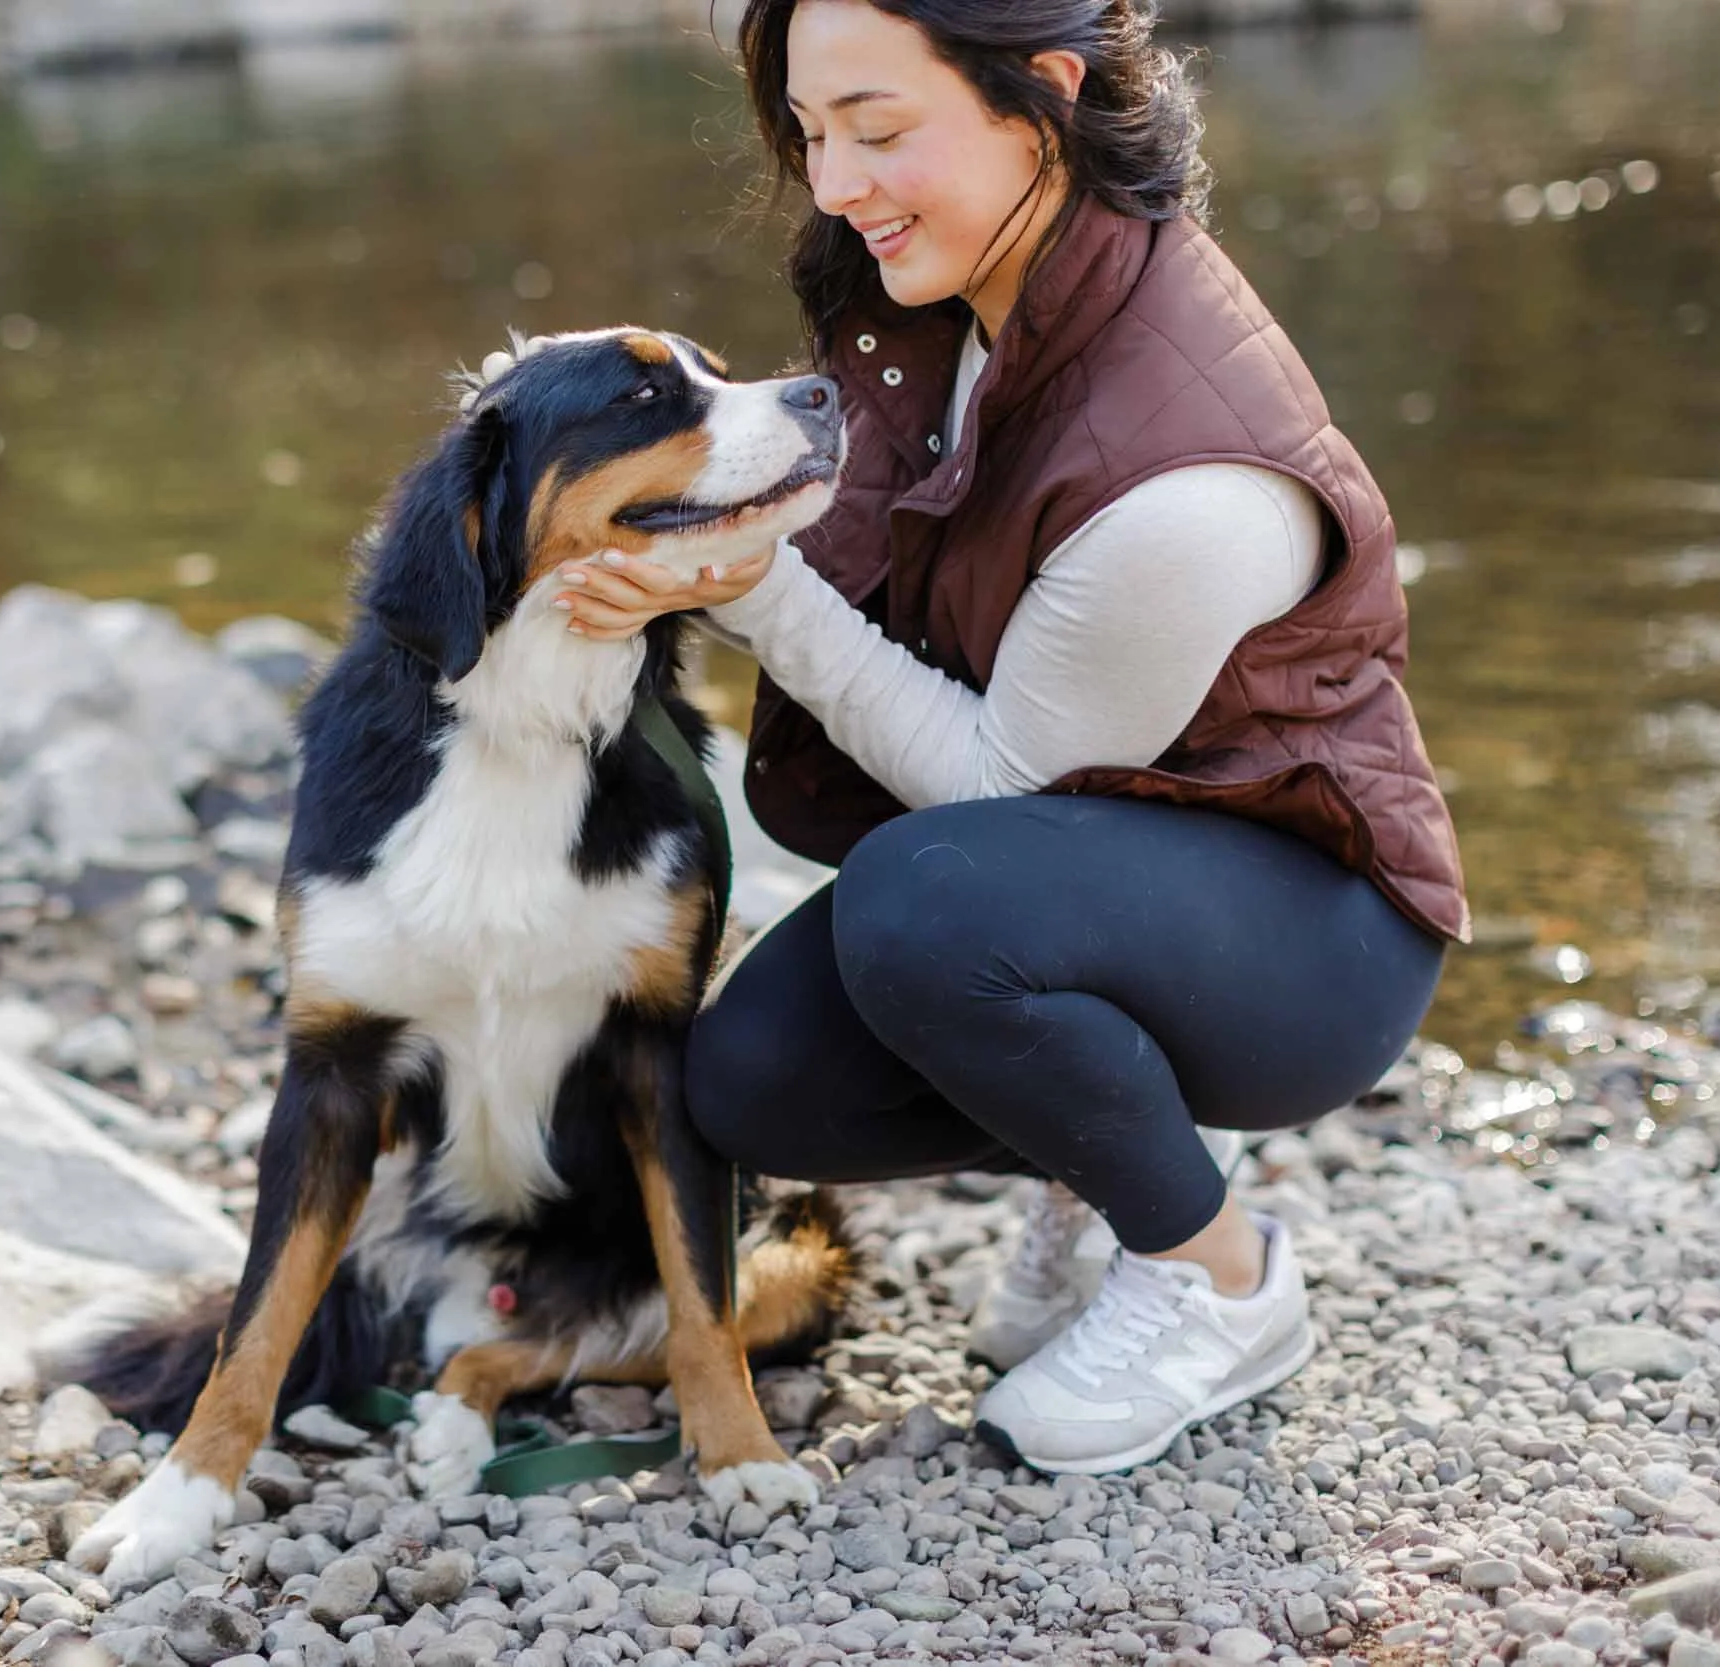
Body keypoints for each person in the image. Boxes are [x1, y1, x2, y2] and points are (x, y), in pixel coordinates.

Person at [547, 0, 1468, 1476]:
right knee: (750, 1082)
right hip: (1099, 860)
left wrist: (752, 588)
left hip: (1312, 927)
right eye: (811, 130)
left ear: (1041, 95)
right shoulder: (944, 285)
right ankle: (1108, 1155)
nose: (833, 180)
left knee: (929, 898)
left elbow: (995, 786)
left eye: (880, 128)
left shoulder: (1191, 477)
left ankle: (1218, 1274)